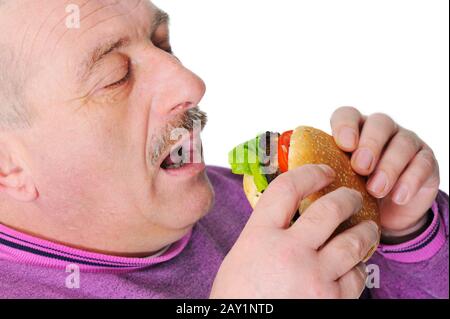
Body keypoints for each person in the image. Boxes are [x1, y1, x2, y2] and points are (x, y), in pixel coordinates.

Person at [0, 0, 447, 299]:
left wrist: (403, 237)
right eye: (116, 76)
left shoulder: (260, 196)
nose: (191, 84)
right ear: (8, 166)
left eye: (162, 44)